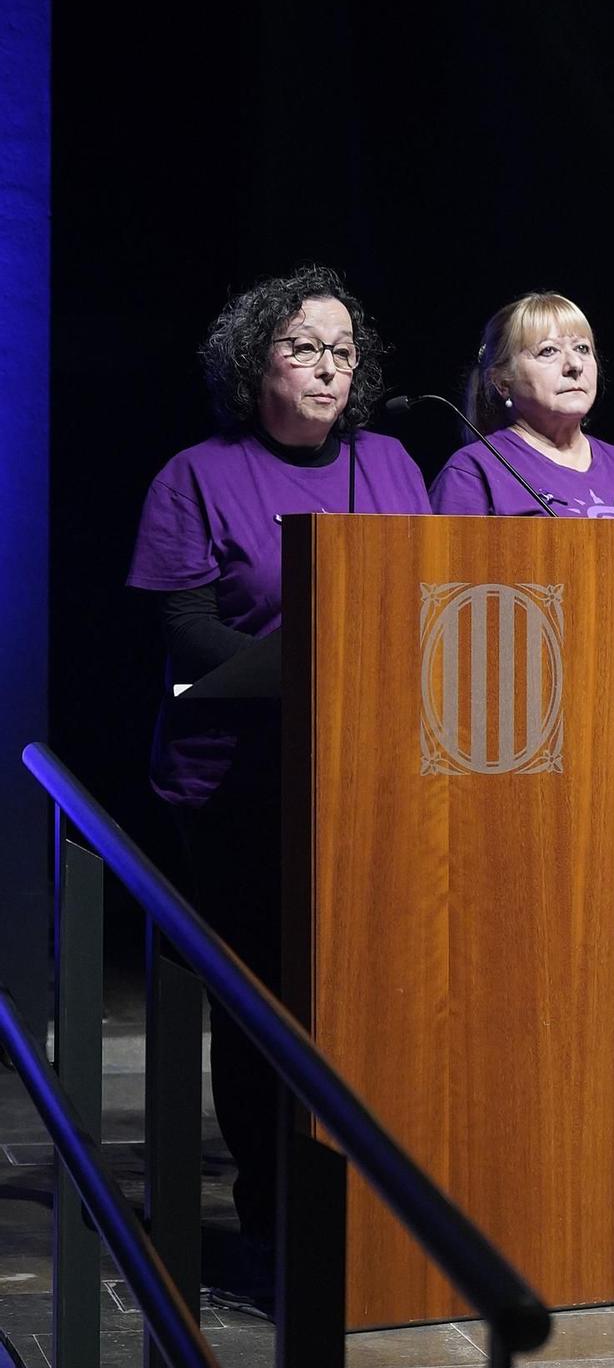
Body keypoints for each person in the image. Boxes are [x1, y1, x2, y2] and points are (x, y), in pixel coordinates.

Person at [128, 266, 431, 1278]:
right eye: (304, 345)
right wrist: (310, 667)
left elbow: (422, 599)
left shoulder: (391, 463)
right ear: (255, 358)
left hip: (370, 781)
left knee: (365, 994)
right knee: (263, 1001)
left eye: (343, 350)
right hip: (237, 782)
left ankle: (368, 1199)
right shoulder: (196, 474)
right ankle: (267, 1213)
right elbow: (181, 624)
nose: (328, 366)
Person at [429, 290, 614, 1227]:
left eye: (584, 347)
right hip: (525, 755)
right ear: (501, 379)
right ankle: (517, 1159)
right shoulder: (476, 471)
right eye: (546, 351)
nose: (572, 364)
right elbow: (456, 607)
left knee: (612, 964)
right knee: (530, 960)